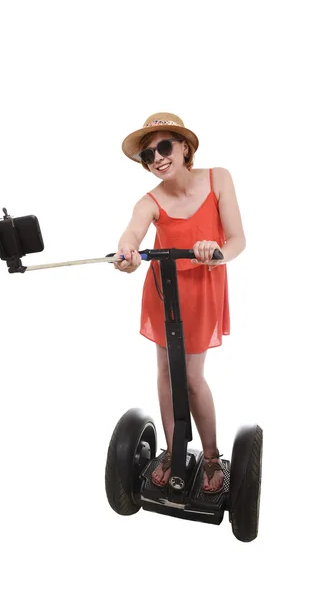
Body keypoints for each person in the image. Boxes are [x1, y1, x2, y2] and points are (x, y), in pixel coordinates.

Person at [114, 112, 246, 493]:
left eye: (164, 146)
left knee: (189, 377)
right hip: (163, 290)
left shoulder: (218, 178)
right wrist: (128, 252)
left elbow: (238, 240)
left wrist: (216, 252)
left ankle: (209, 455)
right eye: (148, 155)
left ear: (184, 147)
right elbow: (133, 231)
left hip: (202, 290)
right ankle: (173, 451)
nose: (157, 158)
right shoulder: (150, 200)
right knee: (166, 374)